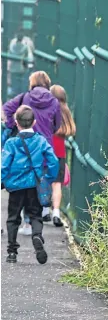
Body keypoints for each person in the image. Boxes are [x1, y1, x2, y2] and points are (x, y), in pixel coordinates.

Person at [2, 71, 61, 233]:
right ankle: (33, 220)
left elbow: (6, 109)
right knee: (37, 181)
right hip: (43, 146)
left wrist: (11, 124)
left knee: (23, 180)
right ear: (47, 83)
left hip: (23, 144)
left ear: (32, 82)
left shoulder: (24, 97)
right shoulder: (54, 102)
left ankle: (25, 222)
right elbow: (57, 125)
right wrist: (48, 131)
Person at [2, 105, 59, 264]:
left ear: (16, 122)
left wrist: (2, 180)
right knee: (35, 215)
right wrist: (47, 178)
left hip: (16, 186)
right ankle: (37, 236)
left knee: (13, 218)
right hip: (35, 185)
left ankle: (12, 252)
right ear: (34, 122)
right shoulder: (40, 140)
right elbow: (53, 161)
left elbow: (4, 166)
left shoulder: (11, 143)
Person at [49, 85, 76, 227]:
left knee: (43, 181)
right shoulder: (66, 111)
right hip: (60, 153)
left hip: (46, 151)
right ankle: (56, 212)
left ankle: (42, 210)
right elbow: (71, 130)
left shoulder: (49, 110)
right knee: (57, 184)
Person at [7, 33, 31, 98]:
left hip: (13, 68)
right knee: (23, 85)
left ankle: (14, 99)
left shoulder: (12, 46)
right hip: (22, 69)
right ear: (22, 38)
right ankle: (22, 99)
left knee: (14, 86)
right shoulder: (25, 47)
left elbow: (9, 56)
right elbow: (26, 59)